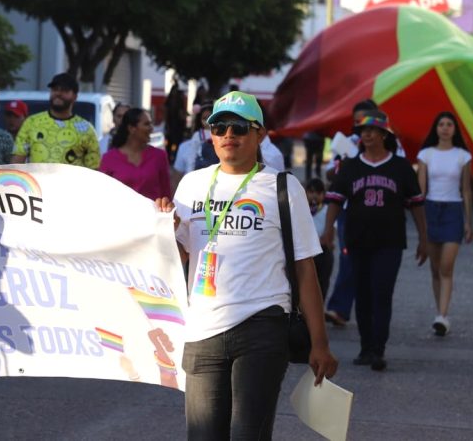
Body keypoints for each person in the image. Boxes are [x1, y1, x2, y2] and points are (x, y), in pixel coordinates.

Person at [160, 90, 337, 439]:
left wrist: (320, 342)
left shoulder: (283, 187)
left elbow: (305, 269)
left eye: (239, 127)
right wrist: (165, 230)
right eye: (219, 127)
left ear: (260, 135)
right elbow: (177, 256)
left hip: (263, 326)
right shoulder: (192, 184)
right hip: (202, 330)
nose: (229, 135)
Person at [322, 109, 427, 371]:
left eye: (372, 130)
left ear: (384, 134)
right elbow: (335, 200)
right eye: (363, 131)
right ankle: (365, 347)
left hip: (390, 241)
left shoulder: (400, 167)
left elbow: (416, 204)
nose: (367, 135)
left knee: (382, 292)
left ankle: (378, 349)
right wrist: (328, 231)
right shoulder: (351, 167)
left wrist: (424, 238)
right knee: (363, 293)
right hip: (357, 239)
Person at [323, 98, 383, 328]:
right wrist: (344, 165)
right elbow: (330, 174)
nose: (362, 126)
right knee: (348, 257)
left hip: (379, 212)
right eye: (358, 121)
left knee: (376, 261)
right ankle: (340, 308)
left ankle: (374, 309)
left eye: (367, 121)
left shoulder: (389, 145)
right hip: (349, 210)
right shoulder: (345, 143)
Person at [417, 111, 473, 336]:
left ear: (455, 129)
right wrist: (420, 222)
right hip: (431, 209)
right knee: (435, 268)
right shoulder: (425, 154)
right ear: (436, 128)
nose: (445, 128)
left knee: (446, 267)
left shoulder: (463, 156)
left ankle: (442, 315)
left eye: (450, 124)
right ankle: (439, 312)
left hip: (453, 211)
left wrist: (468, 222)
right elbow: (421, 191)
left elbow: (466, 190)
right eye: (441, 124)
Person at [11, 72, 100, 168]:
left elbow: (94, 169)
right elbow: (17, 161)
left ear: (75, 96)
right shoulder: (32, 122)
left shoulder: (86, 129)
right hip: (37, 178)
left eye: (64, 90)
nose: (58, 93)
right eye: (55, 89)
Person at [99, 108, 171, 199]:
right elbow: (102, 195)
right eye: (147, 124)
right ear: (131, 128)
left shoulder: (159, 156)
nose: (151, 128)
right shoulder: (109, 159)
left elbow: (166, 194)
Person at [173, 104, 216, 179]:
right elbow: (192, 155)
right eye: (204, 118)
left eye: (210, 117)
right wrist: (190, 173)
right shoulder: (198, 135)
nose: (207, 120)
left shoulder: (220, 134)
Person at [306, 177, 333, 297]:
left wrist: (328, 241)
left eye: (318, 192)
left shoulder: (327, 210)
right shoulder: (301, 209)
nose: (314, 196)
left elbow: (331, 232)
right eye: (311, 192)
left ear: (323, 194)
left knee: (322, 284)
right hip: (306, 252)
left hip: (322, 251)